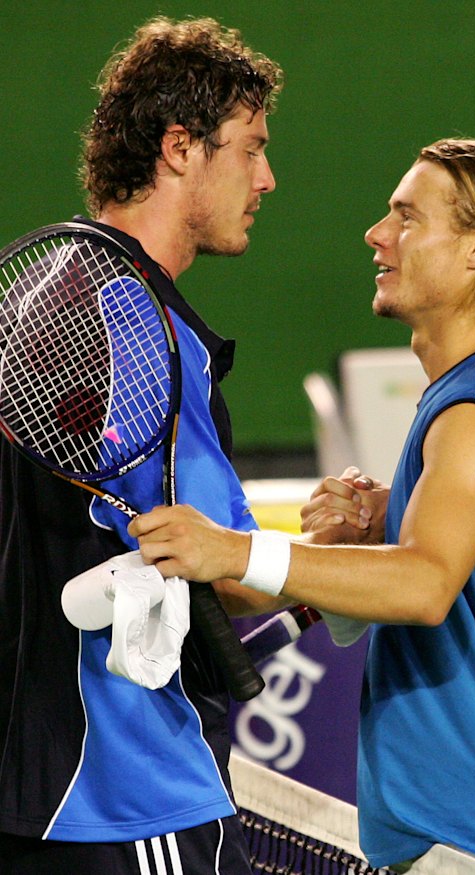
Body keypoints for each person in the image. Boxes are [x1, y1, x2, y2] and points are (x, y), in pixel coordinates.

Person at [128, 138, 475, 875]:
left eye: (407, 217)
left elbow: (424, 584)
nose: (377, 234)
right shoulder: (464, 400)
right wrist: (379, 527)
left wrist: (238, 548)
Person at [0, 16, 284, 874]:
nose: (267, 177)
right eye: (251, 148)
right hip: (128, 793)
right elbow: (220, 569)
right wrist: (340, 560)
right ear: (180, 148)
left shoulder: (35, 300)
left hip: (31, 789)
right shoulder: (147, 331)